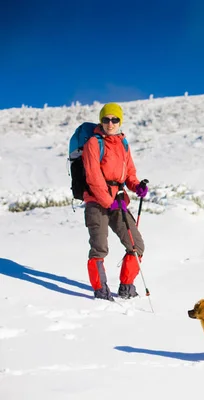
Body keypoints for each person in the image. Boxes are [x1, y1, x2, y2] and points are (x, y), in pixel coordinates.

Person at [82, 103, 148, 301]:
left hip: (118, 200)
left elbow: (129, 174)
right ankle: (101, 291)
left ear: (120, 121)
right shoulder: (94, 143)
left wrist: (137, 186)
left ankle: (127, 287)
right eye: (106, 119)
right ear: (101, 121)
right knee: (99, 247)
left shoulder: (124, 144)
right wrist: (107, 200)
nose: (110, 123)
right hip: (96, 201)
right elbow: (93, 177)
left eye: (114, 119)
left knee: (136, 245)